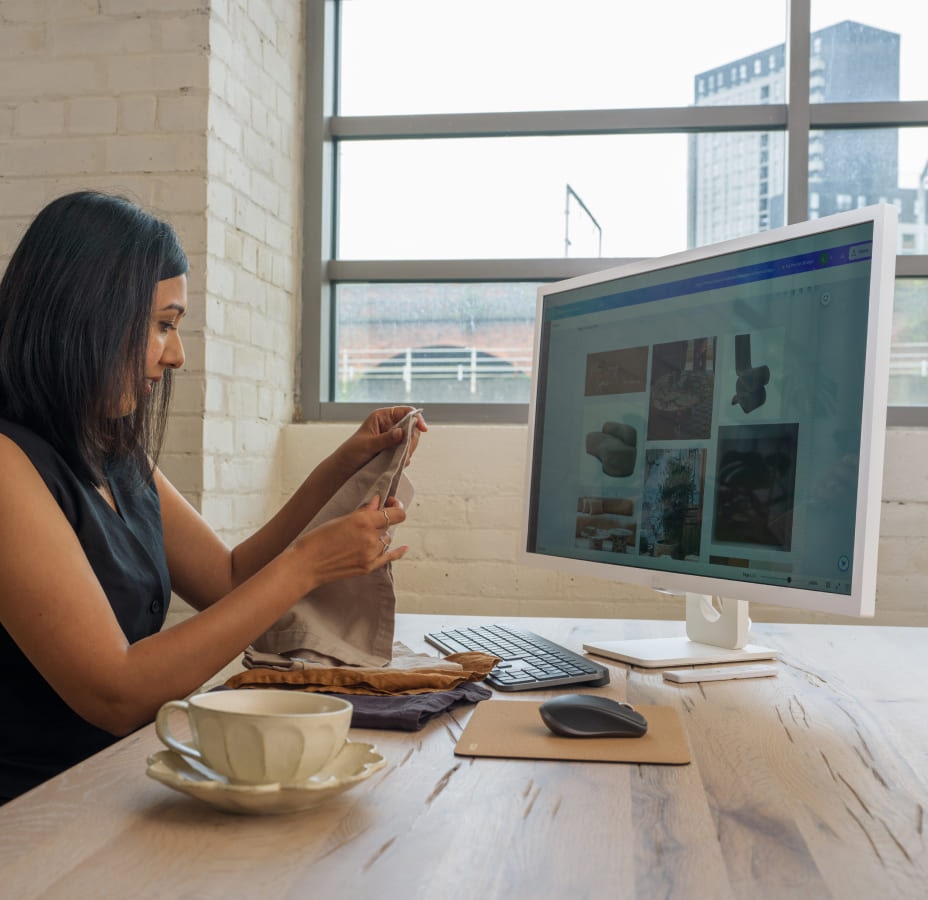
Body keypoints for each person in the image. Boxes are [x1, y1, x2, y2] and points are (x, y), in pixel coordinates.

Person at [0, 191, 427, 804]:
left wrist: (346, 463)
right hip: (37, 816)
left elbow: (229, 579)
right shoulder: (8, 464)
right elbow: (116, 694)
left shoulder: (116, 454)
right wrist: (308, 566)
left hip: (114, 786)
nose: (176, 355)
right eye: (163, 325)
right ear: (87, 316)